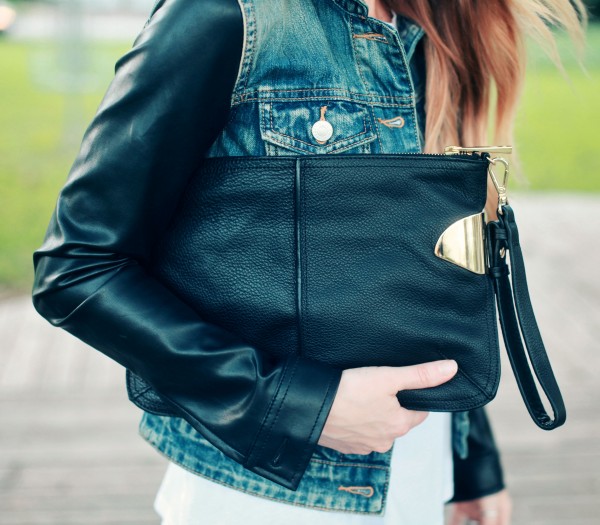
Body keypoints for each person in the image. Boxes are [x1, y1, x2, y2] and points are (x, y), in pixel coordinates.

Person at [31, 0, 586, 524]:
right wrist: (302, 408)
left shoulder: (429, 24)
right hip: (267, 494)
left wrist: (472, 465)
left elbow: (424, 288)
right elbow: (78, 268)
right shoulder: (229, 14)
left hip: (423, 475)